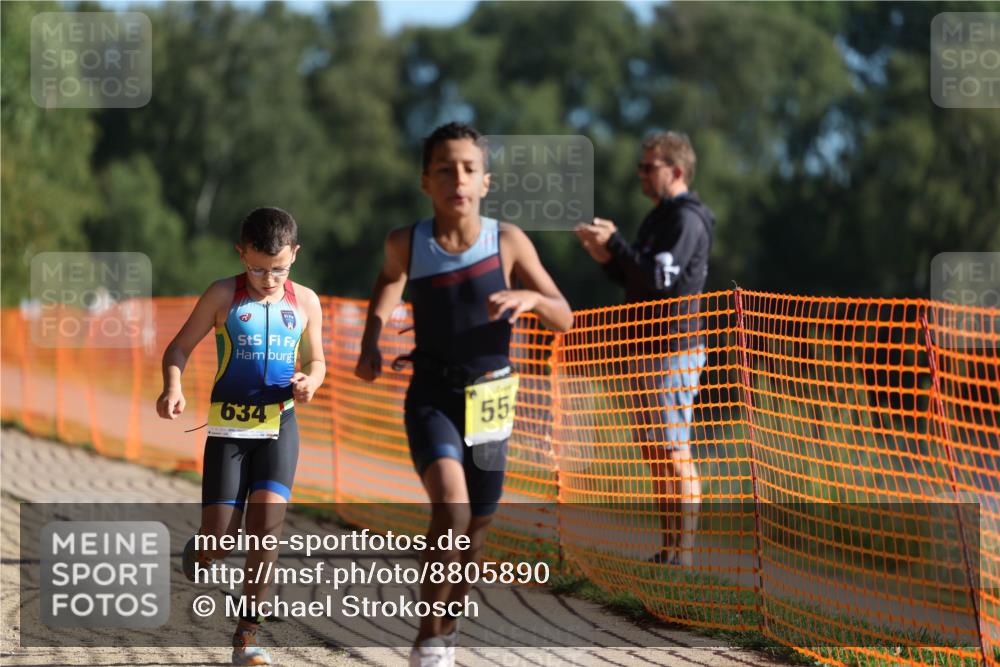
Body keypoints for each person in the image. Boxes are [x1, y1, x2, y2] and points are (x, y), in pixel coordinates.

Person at [355, 122, 572, 667]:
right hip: (432, 393)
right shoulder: (407, 242)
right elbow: (388, 279)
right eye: (445, 169)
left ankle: (446, 627)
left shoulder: (508, 241)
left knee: (477, 525)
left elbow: (563, 315)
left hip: (492, 399)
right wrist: (371, 341)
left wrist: (529, 297)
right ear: (425, 181)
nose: (458, 179)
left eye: (469, 169)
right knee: (452, 509)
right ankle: (428, 640)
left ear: (485, 182)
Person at [156, 207, 326, 666]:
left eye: (279, 270)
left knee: (267, 529)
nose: (268, 279)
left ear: (295, 255)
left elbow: (317, 360)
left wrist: (311, 381)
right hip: (230, 431)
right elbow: (179, 347)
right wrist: (173, 386)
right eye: (257, 269)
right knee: (222, 538)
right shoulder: (222, 295)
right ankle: (205, 546)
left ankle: (246, 638)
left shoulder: (306, 301)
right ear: (241, 254)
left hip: (280, 426)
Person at [575, 131, 715, 567]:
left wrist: (617, 242)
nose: (641, 173)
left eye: (648, 166)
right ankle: (670, 548)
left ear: (676, 170)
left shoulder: (686, 219)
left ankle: (684, 555)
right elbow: (637, 279)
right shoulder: (659, 218)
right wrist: (606, 257)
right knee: (655, 451)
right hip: (645, 346)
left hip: (673, 347)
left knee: (674, 449)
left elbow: (660, 278)